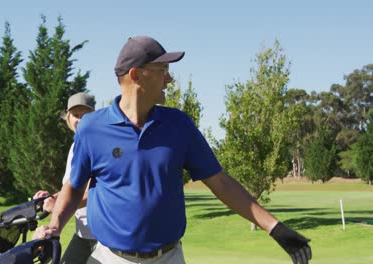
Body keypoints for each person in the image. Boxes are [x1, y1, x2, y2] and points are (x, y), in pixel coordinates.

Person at [34, 36, 312, 264]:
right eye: (162, 71)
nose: (169, 79)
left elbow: (222, 184)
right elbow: (73, 189)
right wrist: (56, 226)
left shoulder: (179, 125)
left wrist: (274, 228)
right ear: (136, 75)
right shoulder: (92, 128)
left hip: (169, 257)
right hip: (110, 259)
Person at [33, 92, 97, 264]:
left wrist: (57, 205)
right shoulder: (75, 146)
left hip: (103, 238)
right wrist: (50, 198)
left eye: (85, 115)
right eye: (75, 115)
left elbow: (94, 192)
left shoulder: (98, 145)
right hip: (83, 233)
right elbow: (72, 187)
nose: (80, 120)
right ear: (68, 118)